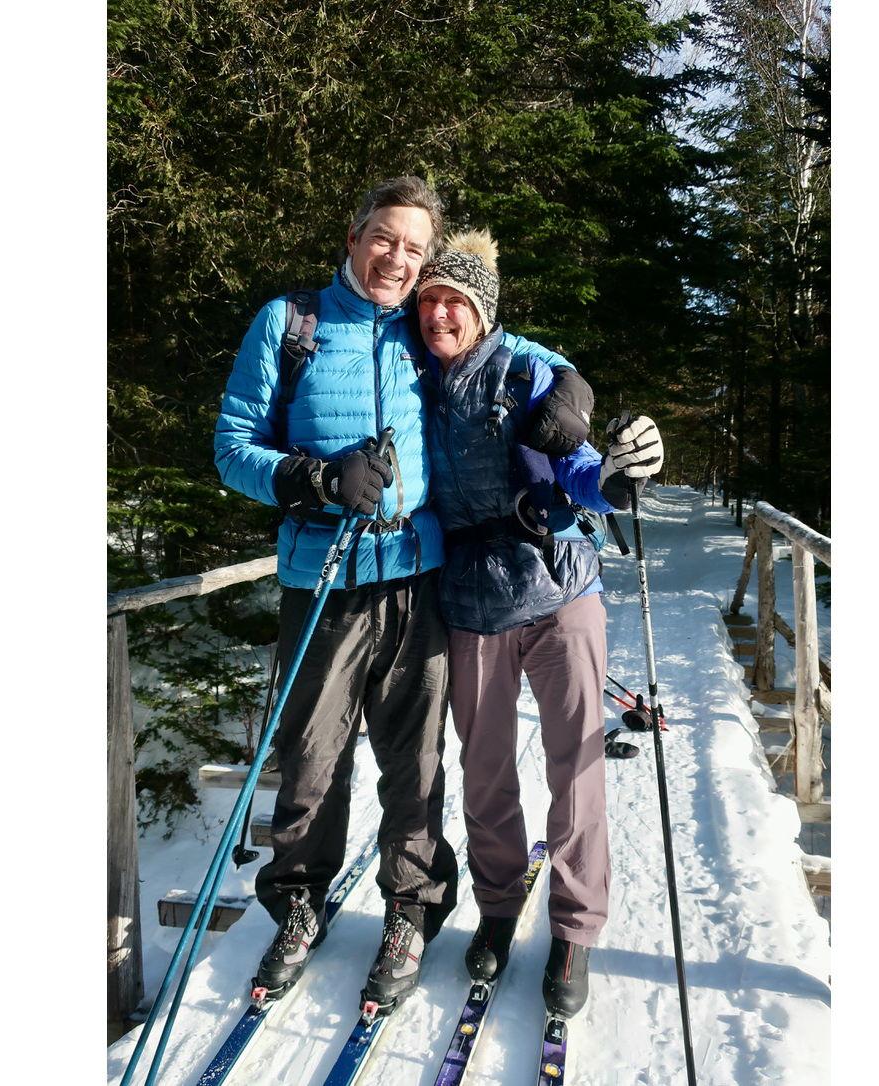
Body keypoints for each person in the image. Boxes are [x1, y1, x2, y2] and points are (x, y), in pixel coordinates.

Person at [213, 177, 588, 1015]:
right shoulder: (292, 324)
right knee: (311, 757)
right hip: (323, 576)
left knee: (414, 763)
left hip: (419, 577)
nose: (397, 258)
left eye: (414, 249)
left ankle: (412, 910)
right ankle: (299, 905)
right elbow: (231, 446)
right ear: (354, 237)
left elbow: (509, 343)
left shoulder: (428, 329)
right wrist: (310, 478)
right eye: (385, 238)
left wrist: (568, 384)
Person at [415, 229, 664, 1018]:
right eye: (430, 300)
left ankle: (575, 927)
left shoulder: (526, 370)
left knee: (576, 766)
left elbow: (579, 464)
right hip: (470, 602)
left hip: (559, 589)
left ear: (483, 311)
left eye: (457, 301)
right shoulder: (411, 374)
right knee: (484, 770)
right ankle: (496, 906)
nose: (441, 314)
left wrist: (619, 475)